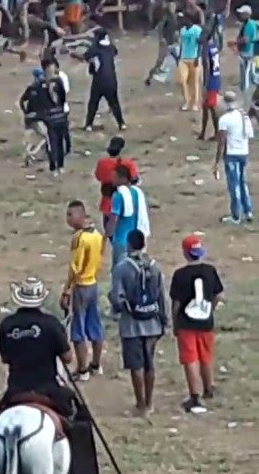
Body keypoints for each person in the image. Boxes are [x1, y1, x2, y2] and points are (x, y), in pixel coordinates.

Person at [108, 230, 168, 415]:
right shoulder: (154, 267)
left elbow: (117, 298)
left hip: (131, 324)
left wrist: (115, 307)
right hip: (152, 323)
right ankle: (150, 402)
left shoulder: (122, 268)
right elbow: (161, 296)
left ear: (129, 244)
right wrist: (163, 321)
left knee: (136, 365)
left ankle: (140, 404)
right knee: (150, 363)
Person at [0, 278, 74, 418]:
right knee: (75, 418)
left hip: (16, 389)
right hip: (48, 389)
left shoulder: (7, 324)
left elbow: (5, 358)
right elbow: (68, 358)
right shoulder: (51, 324)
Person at [169, 235, 225, 414]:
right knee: (205, 356)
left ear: (185, 253)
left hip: (187, 321)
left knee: (190, 359)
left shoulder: (180, 275)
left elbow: (176, 303)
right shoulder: (210, 270)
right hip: (205, 320)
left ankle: (195, 396)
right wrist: (210, 309)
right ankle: (209, 387)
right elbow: (218, 294)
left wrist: (175, 322)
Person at [61, 200, 105, 381]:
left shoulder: (79, 238)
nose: (68, 219)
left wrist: (67, 290)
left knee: (78, 329)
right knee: (95, 324)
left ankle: (82, 369)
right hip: (93, 283)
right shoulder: (96, 235)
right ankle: (96, 364)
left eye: (70, 215)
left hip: (81, 285)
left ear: (80, 215)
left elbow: (75, 267)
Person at [213, 90, 254, 224]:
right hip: (244, 152)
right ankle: (248, 211)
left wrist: (216, 162)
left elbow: (221, 143)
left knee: (234, 185)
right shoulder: (243, 115)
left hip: (232, 154)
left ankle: (236, 215)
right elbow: (249, 134)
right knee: (243, 182)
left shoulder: (224, 120)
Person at [79, 29, 126, 131]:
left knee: (93, 103)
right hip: (112, 80)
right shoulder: (111, 48)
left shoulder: (94, 48)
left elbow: (86, 56)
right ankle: (121, 123)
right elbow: (114, 52)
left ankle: (88, 125)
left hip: (99, 80)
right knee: (114, 103)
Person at [106, 164, 149, 273]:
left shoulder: (118, 195)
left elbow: (114, 218)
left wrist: (108, 232)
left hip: (121, 240)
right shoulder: (136, 192)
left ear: (123, 178)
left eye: (114, 177)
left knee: (119, 270)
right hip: (135, 238)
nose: (112, 180)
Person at [93, 136, 139, 236]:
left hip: (107, 200)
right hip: (125, 200)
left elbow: (98, 177)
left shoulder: (102, 163)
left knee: (109, 229)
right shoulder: (128, 164)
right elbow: (135, 179)